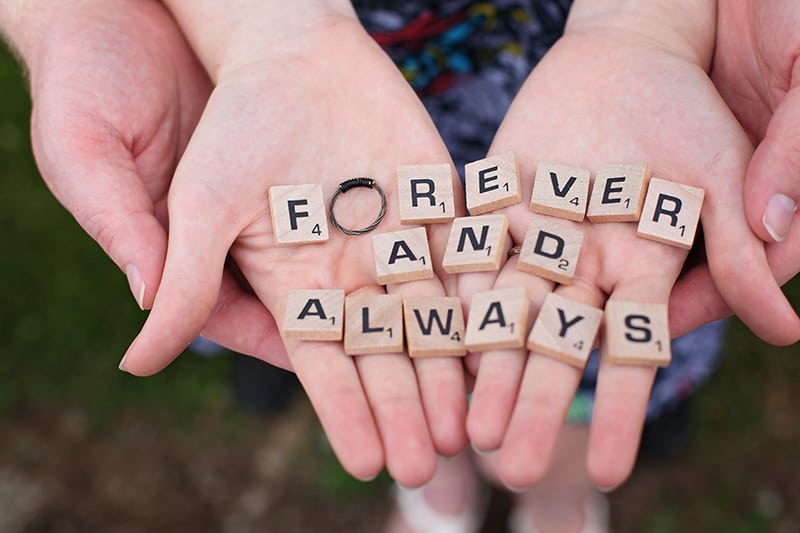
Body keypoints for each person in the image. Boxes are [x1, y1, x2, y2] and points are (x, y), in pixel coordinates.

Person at [1, 0, 797, 530]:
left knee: (586, 312)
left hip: (604, 74)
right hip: (278, 85)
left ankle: (557, 480)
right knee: (352, 322)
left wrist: (648, 25)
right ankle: (436, 477)